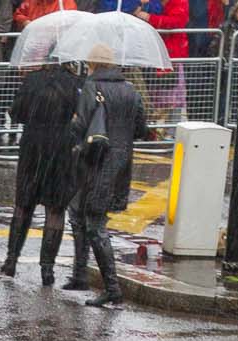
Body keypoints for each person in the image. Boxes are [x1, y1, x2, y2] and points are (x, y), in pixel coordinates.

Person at [64, 46, 149, 307]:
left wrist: (73, 126)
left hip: (94, 162)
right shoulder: (130, 90)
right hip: (120, 163)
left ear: (92, 63)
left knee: (95, 223)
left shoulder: (92, 87)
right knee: (79, 212)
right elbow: (142, 129)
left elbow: (80, 126)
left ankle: (112, 289)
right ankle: (80, 275)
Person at [1, 57, 80, 285]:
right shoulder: (73, 83)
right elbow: (80, 117)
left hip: (33, 146)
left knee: (23, 205)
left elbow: (16, 114)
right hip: (60, 147)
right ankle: (47, 270)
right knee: (55, 210)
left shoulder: (32, 81)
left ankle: (11, 260)